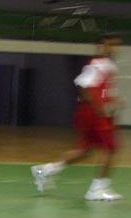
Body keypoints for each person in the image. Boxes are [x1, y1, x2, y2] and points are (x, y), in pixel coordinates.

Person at [31, 33, 125, 201]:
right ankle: (96, 190)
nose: (113, 48)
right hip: (93, 113)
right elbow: (83, 85)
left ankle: (44, 170)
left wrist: (115, 100)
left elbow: (104, 90)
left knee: (84, 151)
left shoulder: (109, 66)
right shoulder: (98, 63)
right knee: (111, 149)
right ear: (101, 47)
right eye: (110, 45)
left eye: (116, 45)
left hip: (91, 112)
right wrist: (99, 108)